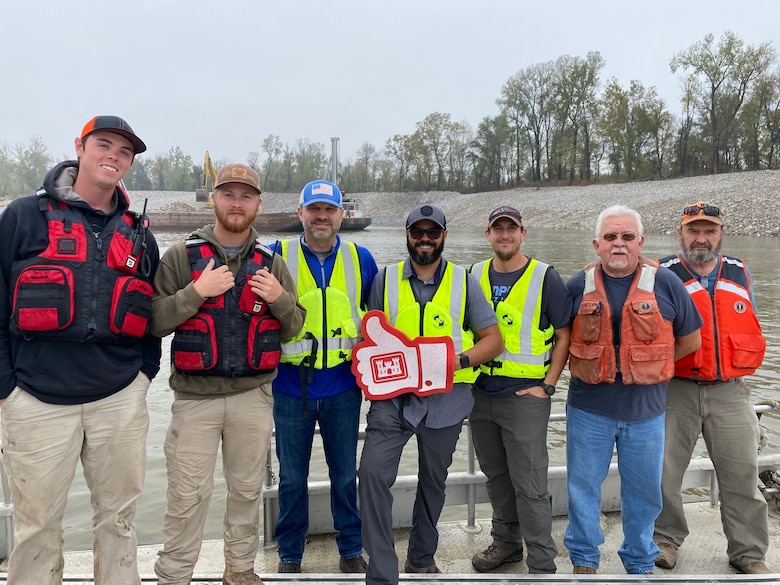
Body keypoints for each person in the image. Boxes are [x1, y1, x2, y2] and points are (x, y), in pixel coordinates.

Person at [0, 115, 160, 585]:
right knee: (37, 528)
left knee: (119, 522)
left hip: (119, 398)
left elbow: (151, 312)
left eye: (124, 152)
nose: (113, 156)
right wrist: (6, 387)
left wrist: (143, 375)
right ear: (80, 147)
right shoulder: (23, 216)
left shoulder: (139, 232)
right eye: (103, 145)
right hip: (35, 398)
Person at [151, 164, 305, 585]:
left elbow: (294, 327)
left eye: (246, 196)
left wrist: (280, 300)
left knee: (246, 491)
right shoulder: (181, 256)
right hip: (194, 399)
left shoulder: (272, 261)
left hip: (253, 398)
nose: (237, 203)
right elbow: (153, 321)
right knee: (186, 495)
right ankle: (174, 576)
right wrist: (196, 292)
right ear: (213, 199)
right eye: (228, 194)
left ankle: (239, 570)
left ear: (257, 204)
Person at [358, 203, 504, 585]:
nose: (425, 240)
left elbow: (494, 340)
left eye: (433, 232)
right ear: (406, 235)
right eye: (417, 232)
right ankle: (382, 574)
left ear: (444, 236)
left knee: (433, 482)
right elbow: (369, 337)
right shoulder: (384, 279)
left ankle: (421, 558)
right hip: (392, 401)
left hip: (447, 400)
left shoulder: (465, 281)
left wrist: (458, 361)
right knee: (372, 474)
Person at [564, 204, 702, 575]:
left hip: (647, 413)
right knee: (582, 489)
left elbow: (690, 339)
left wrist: (652, 362)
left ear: (641, 242)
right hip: (588, 410)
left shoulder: (667, 283)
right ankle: (584, 559)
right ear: (597, 244)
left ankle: (639, 561)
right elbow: (557, 339)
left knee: (643, 494)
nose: (619, 244)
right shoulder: (577, 285)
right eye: (610, 237)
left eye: (627, 237)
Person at [653, 201, 772, 575]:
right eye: (694, 230)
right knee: (663, 474)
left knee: (742, 476)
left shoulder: (740, 272)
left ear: (721, 234)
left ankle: (748, 552)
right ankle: (664, 541)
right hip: (676, 388)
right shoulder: (660, 273)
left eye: (709, 230)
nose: (701, 238)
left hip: (731, 390)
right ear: (681, 234)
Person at [272, 179, 377, 573]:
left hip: (343, 387)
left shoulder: (360, 257)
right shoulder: (275, 254)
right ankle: (289, 554)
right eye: (313, 209)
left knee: (345, 475)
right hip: (289, 387)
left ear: (340, 215)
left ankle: (351, 549)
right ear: (299, 212)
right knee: (292, 478)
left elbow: (377, 318)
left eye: (329, 209)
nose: (321, 216)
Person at [468, 206, 572, 574]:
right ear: (488, 235)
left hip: (526, 397)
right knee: (496, 477)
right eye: (498, 229)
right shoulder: (473, 274)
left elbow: (564, 335)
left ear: (523, 233)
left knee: (529, 482)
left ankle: (542, 560)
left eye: (511, 229)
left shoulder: (545, 277)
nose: (505, 235)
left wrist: (548, 385)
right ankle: (506, 543)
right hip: (480, 394)